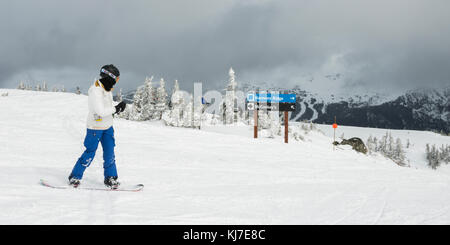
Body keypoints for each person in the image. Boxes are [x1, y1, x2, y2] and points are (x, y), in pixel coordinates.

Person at [68, 64, 126, 189]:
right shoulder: (95, 90)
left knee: (109, 153)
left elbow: (107, 107)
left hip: (108, 127)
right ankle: (75, 176)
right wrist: (115, 109)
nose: (116, 82)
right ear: (110, 76)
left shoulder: (107, 88)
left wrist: (118, 106)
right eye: (116, 79)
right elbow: (100, 110)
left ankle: (110, 178)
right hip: (95, 127)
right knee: (90, 153)